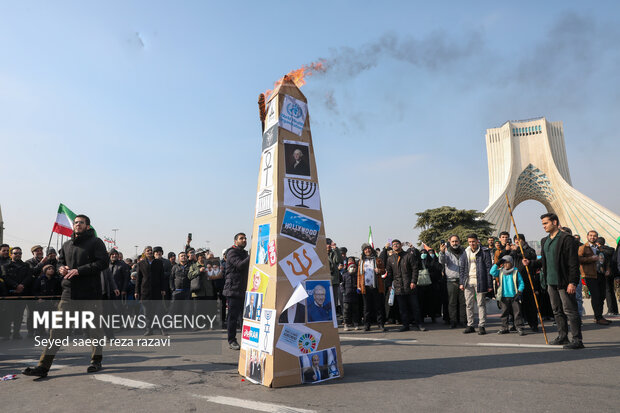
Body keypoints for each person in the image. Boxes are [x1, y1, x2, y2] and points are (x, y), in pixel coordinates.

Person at [23, 214, 109, 378]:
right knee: (57, 331)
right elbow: (60, 262)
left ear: (88, 226)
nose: (78, 225)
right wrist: (61, 269)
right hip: (69, 293)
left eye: (81, 223)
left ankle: (96, 360)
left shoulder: (96, 242)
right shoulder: (67, 244)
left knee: (94, 330)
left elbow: (103, 263)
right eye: (76, 222)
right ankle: (43, 366)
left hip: (90, 294)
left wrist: (80, 270)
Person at [524, 213, 583, 349]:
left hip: (564, 281)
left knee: (570, 310)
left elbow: (573, 263)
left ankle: (577, 339)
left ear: (555, 222)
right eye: (543, 224)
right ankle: (563, 337)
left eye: (546, 223)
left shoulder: (566, 239)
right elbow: (544, 261)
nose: (543, 226)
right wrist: (531, 263)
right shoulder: (545, 240)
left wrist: (572, 282)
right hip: (550, 281)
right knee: (557, 310)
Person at [386, 239, 425, 332]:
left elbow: (415, 270)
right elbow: (389, 273)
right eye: (394, 244)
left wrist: (413, 282)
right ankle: (405, 325)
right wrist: (389, 285)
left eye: (397, 244)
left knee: (415, 307)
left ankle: (419, 324)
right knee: (402, 308)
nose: (395, 245)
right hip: (398, 287)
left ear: (401, 245)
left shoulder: (408, 256)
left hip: (410, 286)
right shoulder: (390, 259)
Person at [461, 234, 493, 335]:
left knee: (481, 304)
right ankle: (470, 325)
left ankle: (481, 325)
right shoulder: (465, 252)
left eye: (473, 242)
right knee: (469, 305)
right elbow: (462, 269)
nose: (472, 244)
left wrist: (489, 285)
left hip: (480, 282)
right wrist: (462, 282)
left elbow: (489, 268)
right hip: (468, 282)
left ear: (477, 241)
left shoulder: (484, 252)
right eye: (470, 242)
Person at [578, 230, 611, 325]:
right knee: (596, 296)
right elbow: (578, 259)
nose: (592, 237)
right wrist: (590, 259)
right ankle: (598, 317)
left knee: (602, 296)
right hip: (590, 275)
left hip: (600, 274)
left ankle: (599, 316)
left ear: (597, 237)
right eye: (591, 235)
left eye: (594, 236)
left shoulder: (599, 248)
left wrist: (608, 269)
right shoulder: (583, 247)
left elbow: (606, 260)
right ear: (587, 236)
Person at [223, 233, 250, 350]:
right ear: (235, 241)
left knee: (244, 317)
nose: (244, 240)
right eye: (241, 238)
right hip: (233, 289)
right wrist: (252, 255)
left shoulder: (244, 253)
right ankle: (232, 340)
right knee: (232, 317)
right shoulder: (232, 252)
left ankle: (246, 340)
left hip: (244, 289)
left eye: (245, 238)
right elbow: (240, 265)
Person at [510, 234, 541, 332]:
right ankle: (517, 324)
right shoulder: (514, 250)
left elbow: (529, 256)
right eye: (515, 240)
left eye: (519, 239)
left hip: (527, 279)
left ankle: (533, 324)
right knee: (516, 304)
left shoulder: (529, 250)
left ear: (523, 240)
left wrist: (518, 250)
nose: (517, 241)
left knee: (530, 303)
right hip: (516, 280)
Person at [135, 246, 167, 336]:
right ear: (144, 253)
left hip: (157, 290)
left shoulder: (158, 262)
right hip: (145, 291)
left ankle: (162, 329)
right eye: (147, 250)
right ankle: (149, 330)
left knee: (159, 312)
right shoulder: (141, 263)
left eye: (150, 250)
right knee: (147, 312)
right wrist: (136, 291)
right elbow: (138, 279)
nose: (149, 252)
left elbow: (162, 277)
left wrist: (163, 289)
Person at [1, 247, 32, 339]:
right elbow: (5, 277)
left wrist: (22, 285)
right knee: (8, 315)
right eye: (15, 253)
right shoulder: (5, 266)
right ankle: (6, 333)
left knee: (19, 315)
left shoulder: (26, 265)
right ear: (11, 254)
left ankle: (16, 333)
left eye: (20, 253)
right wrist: (15, 286)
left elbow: (29, 277)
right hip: (10, 294)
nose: (18, 255)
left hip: (22, 293)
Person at [491, 255, 526, 335]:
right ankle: (504, 328)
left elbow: (521, 283)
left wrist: (519, 291)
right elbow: (491, 272)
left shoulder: (516, 271)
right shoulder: (500, 271)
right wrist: (497, 264)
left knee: (517, 313)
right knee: (504, 313)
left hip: (514, 296)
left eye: (507, 263)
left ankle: (519, 327)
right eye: (504, 263)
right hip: (503, 296)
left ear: (511, 263)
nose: (505, 265)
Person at [357, 243, 386, 332]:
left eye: (369, 249)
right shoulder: (361, 261)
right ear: (363, 251)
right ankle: (367, 325)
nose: (367, 250)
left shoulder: (377, 260)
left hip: (376, 286)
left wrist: (379, 270)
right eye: (365, 249)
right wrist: (358, 286)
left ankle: (380, 324)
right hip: (365, 287)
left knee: (378, 306)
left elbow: (384, 270)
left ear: (371, 250)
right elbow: (359, 275)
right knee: (367, 307)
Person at [439, 235, 467, 328]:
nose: (455, 243)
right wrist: (442, 252)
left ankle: (463, 320)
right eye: (453, 242)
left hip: (463, 281)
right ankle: (453, 321)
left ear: (459, 241)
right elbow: (441, 262)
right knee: (452, 302)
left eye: (456, 241)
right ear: (449, 242)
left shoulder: (464, 252)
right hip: (451, 281)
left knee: (463, 302)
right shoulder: (447, 253)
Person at [595, 237, 618, 316]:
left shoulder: (600, 251)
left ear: (598, 243)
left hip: (604, 273)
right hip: (612, 273)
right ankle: (615, 310)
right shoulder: (611, 250)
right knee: (611, 291)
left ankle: (610, 310)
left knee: (607, 291)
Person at [341, 261, 360, 331]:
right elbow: (342, 284)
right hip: (347, 296)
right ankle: (346, 324)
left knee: (355, 310)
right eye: (351, 267)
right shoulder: (345, 275)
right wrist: (343, 292)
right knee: (346, 310)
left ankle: (356, 323)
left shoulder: (357, 276)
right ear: (348, 268)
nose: (353, 268)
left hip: (355, 295)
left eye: (354, 267)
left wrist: (359, 289)